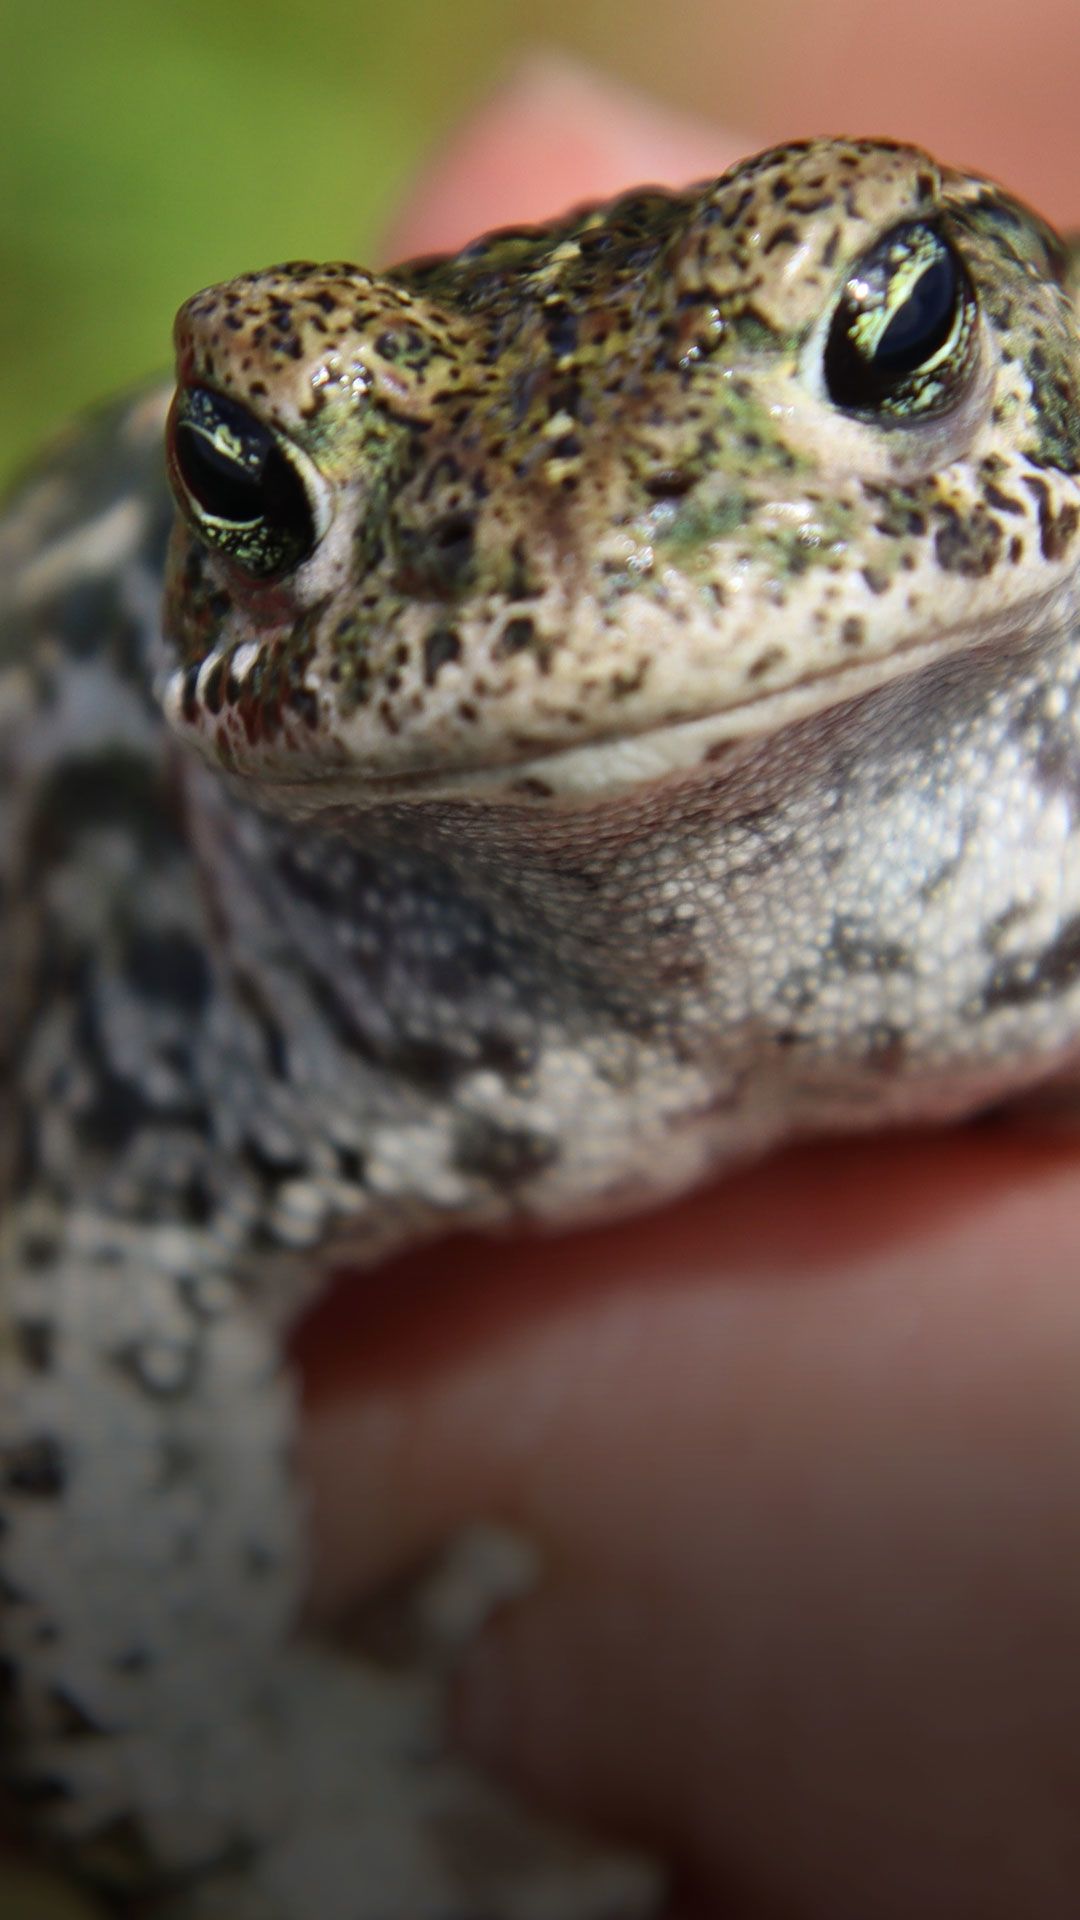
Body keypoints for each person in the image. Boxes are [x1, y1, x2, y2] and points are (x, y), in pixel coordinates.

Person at [296, 58, 1080, 1920]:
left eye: (889, 344)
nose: (598, 576)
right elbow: (78, 1295)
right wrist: (263, 1809)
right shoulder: (244, 959)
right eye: (256, 487)